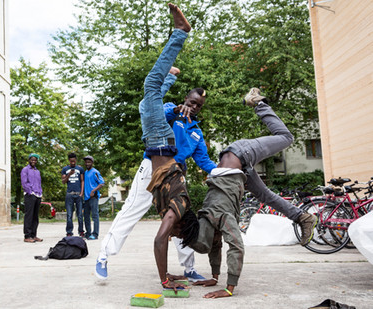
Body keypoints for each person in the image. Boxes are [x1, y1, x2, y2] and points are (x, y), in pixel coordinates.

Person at [95, 3, 214, 282]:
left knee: (181, 219)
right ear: (186, 100)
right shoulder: (172, 110)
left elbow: (205, 161)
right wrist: (175, 110)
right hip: (152, 161)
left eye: (198, 106)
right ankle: (104, 255)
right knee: (131, 209)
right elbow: (156, 111)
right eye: (191, 102)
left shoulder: (196, 132)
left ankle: (189, 269)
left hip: (174, 173)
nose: (193, 107)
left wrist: (225, 171)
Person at [188, 88, 318, 298]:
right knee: (265, 195)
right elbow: (215, 245)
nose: (215, 242)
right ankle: (303, 218)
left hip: (241, 152)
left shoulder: (218, 216)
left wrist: (229, 289)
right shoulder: (208, 218)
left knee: (286, 137)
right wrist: (214, 277)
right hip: (238, 169)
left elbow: (236, 247)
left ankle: (257, 102)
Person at [61, 153, 85, 237]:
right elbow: (63, 181)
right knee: (69, 215)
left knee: (80, 215)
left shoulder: (80, 169)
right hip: (69, 194)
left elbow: (82, 181)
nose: (73, 163)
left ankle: (81, 232)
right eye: (71, 161)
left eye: (74, 161)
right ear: (69, 161)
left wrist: (81, 193)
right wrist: (69, 175)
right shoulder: (65, 169)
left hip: (78, 194)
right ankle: (69, 232)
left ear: (76, 160)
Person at [21, 153, 43, 243]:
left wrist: (40, 193)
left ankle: (33, 235)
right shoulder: (25, 170)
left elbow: (39, 183)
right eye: (32, 160)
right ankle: (27, 236)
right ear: (29, 160)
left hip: (38, 195)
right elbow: (24, 182)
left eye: (35, 160)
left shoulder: (37, 171)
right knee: (29, 216)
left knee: (35, 217)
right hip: (30, 195)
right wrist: (30, 192)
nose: (33, 161)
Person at [83, 156, 105, 240]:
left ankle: (95, 234)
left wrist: (93, 191)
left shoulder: (95, 172)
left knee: (95, 216)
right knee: (86, 216)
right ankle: (88, 233)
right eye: (86, 162)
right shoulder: (85, 172)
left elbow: (102, 183)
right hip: (86, 198)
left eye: (89, 162)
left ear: (92, 163)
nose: (87, 163)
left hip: (93, 197)